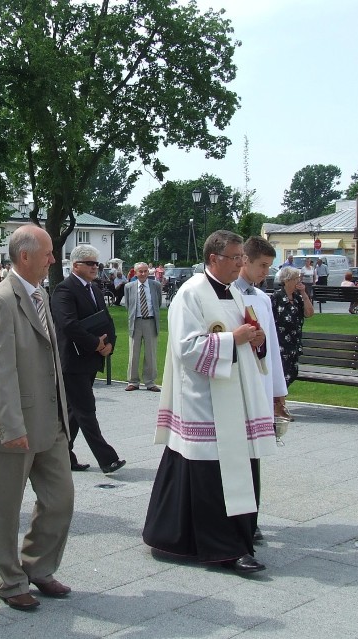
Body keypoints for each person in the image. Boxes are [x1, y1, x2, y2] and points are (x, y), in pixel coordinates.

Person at [143, 230, 275, 574]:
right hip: (207, 401)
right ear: (214, 259)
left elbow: (244, 336)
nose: (241, 264)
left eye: (242, 258)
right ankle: (224, 549)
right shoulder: (190, 293)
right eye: (236, 258)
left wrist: (253, 337)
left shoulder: (232, 291)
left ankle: (221, 538)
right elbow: (186, 348)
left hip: (237, 397)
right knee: (211, 474)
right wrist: (234, 339)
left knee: (233, 467)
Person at [0, 224, 75, 611]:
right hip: (14, 425)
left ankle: (37, 565)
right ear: (25, 256)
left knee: (60, 499)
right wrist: (10, 426)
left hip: (49, 423)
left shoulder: (40, 293)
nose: (54, 259)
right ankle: (11, 579)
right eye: (49, 253)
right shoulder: (1, 300)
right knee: (5, 508)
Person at [50, 244, 126, 474]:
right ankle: (107, 459)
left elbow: (106, 319)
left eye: (97, 263)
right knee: (85, 409)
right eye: (90, 263)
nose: (96, 267)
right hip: (72, 361)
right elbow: (68, 325)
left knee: (74, 411)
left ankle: (63, 455)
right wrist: (96, 344)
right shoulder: (64, 290)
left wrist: (109, 344)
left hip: (90, 360)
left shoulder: (94, 289)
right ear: (75, 265)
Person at [233, 236, 288, 541]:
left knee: (255, 455)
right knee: (238, 455)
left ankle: (252, 519)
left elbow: (273, 347)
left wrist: (278, 393)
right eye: (262, 265)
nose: (267, 271)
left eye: (270, 266)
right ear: (245, 261)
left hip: (261, 383)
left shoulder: (263, 298)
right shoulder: (228, 295)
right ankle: (240, 518)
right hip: (238, 387)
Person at [271, 266, 315, 396]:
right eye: (297, 279)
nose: (299, 281)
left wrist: (304, 294)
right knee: (282, 376)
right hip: (281, 345)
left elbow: (309, 313)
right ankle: (278, 403)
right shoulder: (276, 297)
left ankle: (278, 402)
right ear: (287, 280)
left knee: (292, 373)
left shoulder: (297, 298)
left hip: (294, 345)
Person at [124, 261, 162, 392]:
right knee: (133, 353)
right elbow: (129, 305)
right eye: (141, 271)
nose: (143, 273)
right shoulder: (129, 286)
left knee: (150, 353)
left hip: (150, 322)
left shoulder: (156, 285)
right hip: (136, 322)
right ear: (135, 272)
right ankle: (133, 381)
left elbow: (158, 303)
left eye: (146, 271)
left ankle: (150, 382)